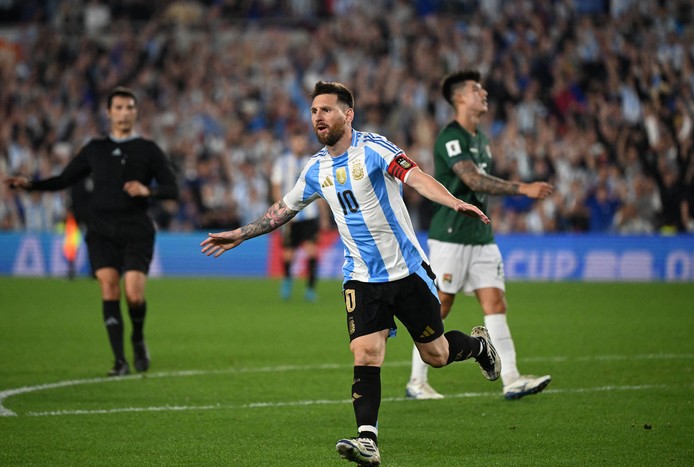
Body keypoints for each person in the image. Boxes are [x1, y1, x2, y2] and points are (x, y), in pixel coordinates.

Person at [201, 81, 501, 467]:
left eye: (326, 110)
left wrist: (454, 201)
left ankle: (478, 346)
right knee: (366, 353)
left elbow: (418, 177)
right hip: (360, 277)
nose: (318, 118)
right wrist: (241, 235)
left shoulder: (375, 149)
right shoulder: (315, 169)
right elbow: (284, 208)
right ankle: (368, 441)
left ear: (348, 114)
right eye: (313, 112)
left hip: (406, 272)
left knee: (437, 355)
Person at [4, 86, 178, 377]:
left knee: (133, 295)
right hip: (101, 230)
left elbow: (172, 188)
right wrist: (31, 185)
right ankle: (120, 361)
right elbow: (63, 179)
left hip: (136, 228)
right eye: (119, 108)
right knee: (109, 287)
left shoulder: (148, 149)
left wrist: (148, 189)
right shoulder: (94, 149)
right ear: (109, 113)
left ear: (136, 112)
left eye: (130, 107)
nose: (125, 113)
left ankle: (137, 337)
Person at [405, 69, 554, 401]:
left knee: (496, 302)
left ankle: (512, 378)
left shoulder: (481, 140)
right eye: (476, 89)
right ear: (459, 97)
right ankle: (417, 381)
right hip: (451, 236)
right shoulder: (450, 137)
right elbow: (473, 181)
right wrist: (522, 188)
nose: (483, 92)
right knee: (440, 306)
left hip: (482, 237)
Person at [270, 127, 328, 301]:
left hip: (309, 215)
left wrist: (324, 215)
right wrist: (281, 212)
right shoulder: (281, 162)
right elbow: (276, 188)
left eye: (302, 141)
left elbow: (320, 191)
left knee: (312, 251)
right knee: (288, 253)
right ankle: (287, 281)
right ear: (291, 142)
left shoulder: (312, 162)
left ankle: (310, 289)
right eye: (297, 141)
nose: (300, 144)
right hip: (290, 216)